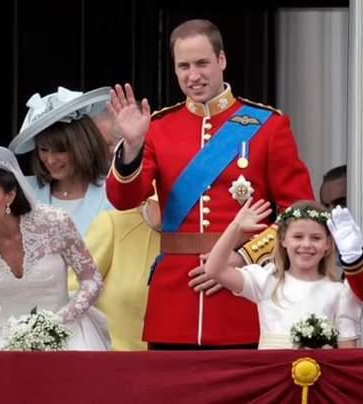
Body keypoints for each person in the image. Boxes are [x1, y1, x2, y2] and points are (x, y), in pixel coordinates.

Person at [106, 19, 314, 348]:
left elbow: (299, 212)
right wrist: (131, 147)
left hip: (242, 293)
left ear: (222, 60)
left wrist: (242, 259)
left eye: (202, 63)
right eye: (184, 66)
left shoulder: (268, 126)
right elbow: (124, 199)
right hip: (175, 300)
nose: (193, 75)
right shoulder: (158, 128)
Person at [0, 145, 110, 350]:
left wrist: (59, 322)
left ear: (9, 196)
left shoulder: (54, 223)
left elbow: (92, 281)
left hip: (67, 335)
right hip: (4, 342)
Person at [205, 199, 360, 348]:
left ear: (327, 244)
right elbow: (215, 270)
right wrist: (236, 227)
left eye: (316, 238)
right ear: (282, 240)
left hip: (317, 367)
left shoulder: (340, 292)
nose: (306, 244)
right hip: (271, 366)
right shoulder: (266, 280)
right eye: (298, 237)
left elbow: (346, 352)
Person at [8, 87, 113, 236]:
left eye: (61, 150)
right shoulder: (23, 190)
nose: (51, 160)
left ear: (83, 146)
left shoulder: (112, 191)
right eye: (43, 149)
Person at [76, 197, 161, 350]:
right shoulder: (113, 225)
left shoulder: (200, 239)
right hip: (111, 358)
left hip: (176, 360)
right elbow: (74, 292)